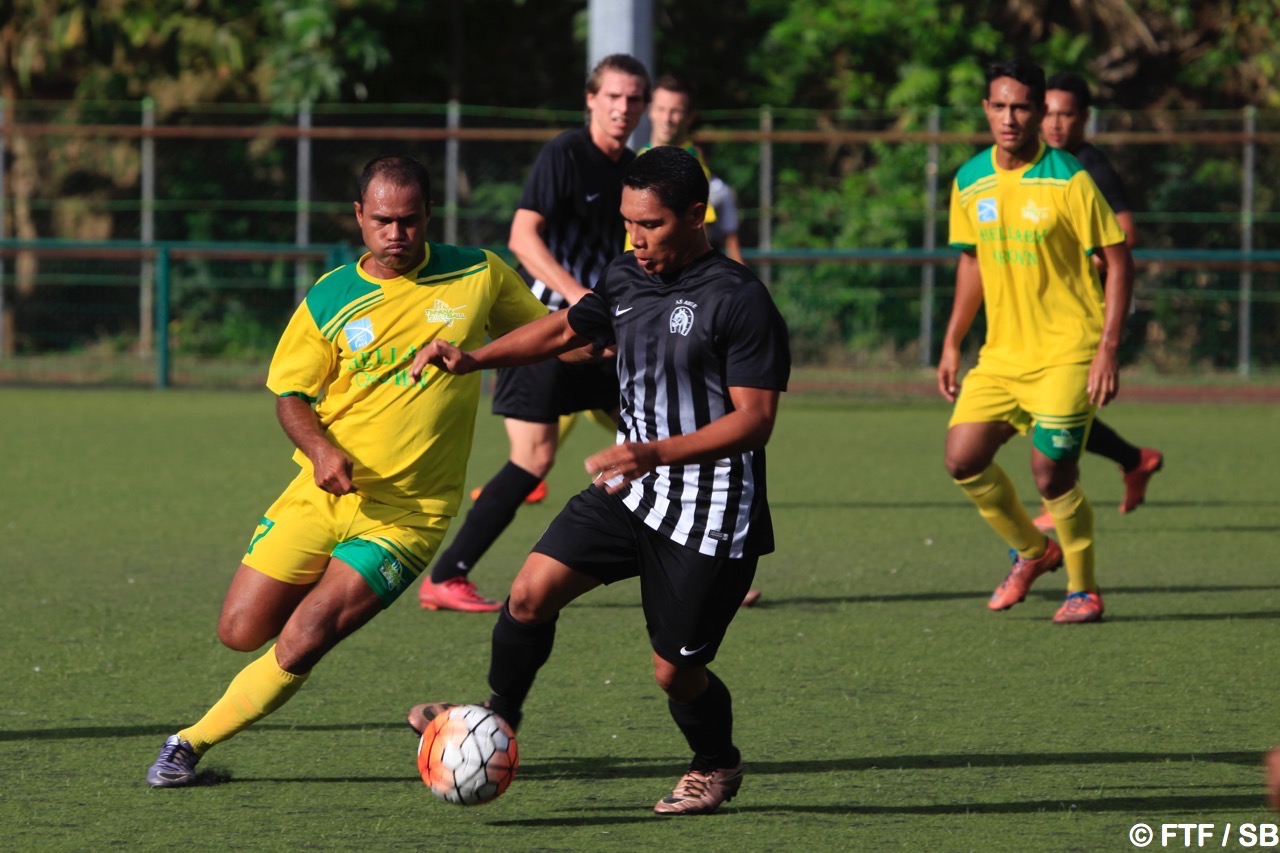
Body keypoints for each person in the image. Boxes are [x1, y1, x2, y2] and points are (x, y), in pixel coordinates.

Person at [405, 146, 791, 815]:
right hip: (631, 492)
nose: (636, 239)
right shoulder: (625, 275)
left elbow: (755, 421)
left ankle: (716, 763)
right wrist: (473, 359)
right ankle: (496, 720)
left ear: (695, 215)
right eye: (628, 222)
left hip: (710, 511)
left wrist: (654, 452)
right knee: (529, 594)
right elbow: (562, 329)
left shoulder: (741, 299)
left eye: (651, 224)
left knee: (675, 671)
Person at [144, 155, 549, 787]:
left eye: (409, 220)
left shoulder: (478, 273)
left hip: (408, 515)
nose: (397, 233)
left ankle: (185, 747)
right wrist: (321, 451)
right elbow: (290, 395)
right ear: (359, 216)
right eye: (383, 220)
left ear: (429, 215)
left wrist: (612, 328)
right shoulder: (331, 297)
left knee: (306, 635)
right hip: (321, 493)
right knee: (240, 631)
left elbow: (550, 335)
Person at [416, 53, 651, 614]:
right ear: (591, 100)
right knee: (533, 459)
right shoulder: (564, 154)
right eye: (612, 96)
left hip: (596, 333)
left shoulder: (634, 167)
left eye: (633, 98)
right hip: (542, 328)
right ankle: (447, 577)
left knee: (656, 440)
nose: (623, 107)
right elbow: (522, 238)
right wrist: (576, 298)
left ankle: (696, 570)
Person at [937, 58, 1134, 625]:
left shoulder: (1069, 178)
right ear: (985, 109)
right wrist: (952, 342)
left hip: (1068, 350)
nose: (1009, 118)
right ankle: (1033, 551)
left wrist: (1108, 348)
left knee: (1050, 472)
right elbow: (971, 262)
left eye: (1021, 107)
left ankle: (1084, 589)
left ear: (1040, 110)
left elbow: (1119, 260)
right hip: (1002, 355)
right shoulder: (969, 180)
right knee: (962, 458)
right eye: (999, 106)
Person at [1030, 71, 1163, 530]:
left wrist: (1080, 258)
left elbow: (1126, 233)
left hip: (1086, 310)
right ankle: (1134, 460)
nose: (1055, 123)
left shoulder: (1090, 167)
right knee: (1051, 406)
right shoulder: (1047, 164)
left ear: (1085, 118)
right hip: (1052, 309)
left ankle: (1061, 497)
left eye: (1066, 114)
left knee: (1056, 406)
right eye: (1048, 113)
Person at [645, 75, 746, 265]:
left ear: (690, 117)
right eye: (661, 109)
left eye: (675, 111)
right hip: (631, 274)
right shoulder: (638, 158)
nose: (667, 119)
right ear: (650, 110)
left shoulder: (693, 166)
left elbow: (698, 234)